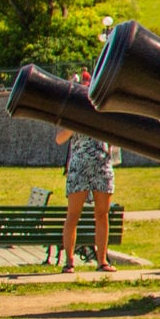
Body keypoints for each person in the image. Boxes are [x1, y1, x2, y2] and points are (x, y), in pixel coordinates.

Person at [54, 103, 116, 273]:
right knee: (73, 214)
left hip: (102, 164)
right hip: (79, 166)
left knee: (102, 214)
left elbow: (114, 136)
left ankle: (102, 261)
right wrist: (74, 123)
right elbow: (60, 138)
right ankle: (69, 262)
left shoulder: (104, 110)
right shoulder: (73, 111)